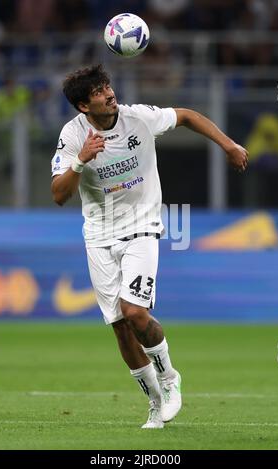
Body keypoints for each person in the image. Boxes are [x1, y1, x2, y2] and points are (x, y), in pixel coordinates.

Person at [51, 64, 248, 429]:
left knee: (135, 312)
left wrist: (228, 144)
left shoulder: (138, 119)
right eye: (98, 92)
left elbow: (187, 116)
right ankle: (155, 402)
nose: (109, 93)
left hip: (142, 227)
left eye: (107, 86)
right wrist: (81, 160)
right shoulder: (72, 135)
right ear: (83, 106)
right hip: (98, 236)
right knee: (120, 326)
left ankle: (170, 377)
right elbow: (59, 195)